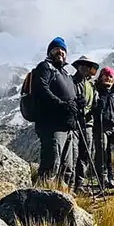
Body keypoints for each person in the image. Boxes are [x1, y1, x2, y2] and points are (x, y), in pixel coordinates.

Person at [31, 37, 81, 186]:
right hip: (51, 125)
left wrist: (77, 103)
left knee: (67, 168)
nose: (60, 51)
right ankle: (42, 199)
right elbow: (41, 89)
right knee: (52, 164)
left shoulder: (65, 73)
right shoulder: (45, 67)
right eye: (56, 49)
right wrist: (62, 104)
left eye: (63, 50)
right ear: (49, 51)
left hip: (68, 127)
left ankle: (62, 201)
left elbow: (70, 98)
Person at [71, 55, 99, 193]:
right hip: (74, 123)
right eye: (82, 65)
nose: (85, 68)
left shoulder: (91, 86)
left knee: (85, 153)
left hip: (87, 123)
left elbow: (93, 105)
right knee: (73, 153)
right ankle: (70, 184)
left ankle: (79, 184)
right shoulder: (70, 82)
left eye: (88, 66)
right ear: (78, 67)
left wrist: (97, 106)